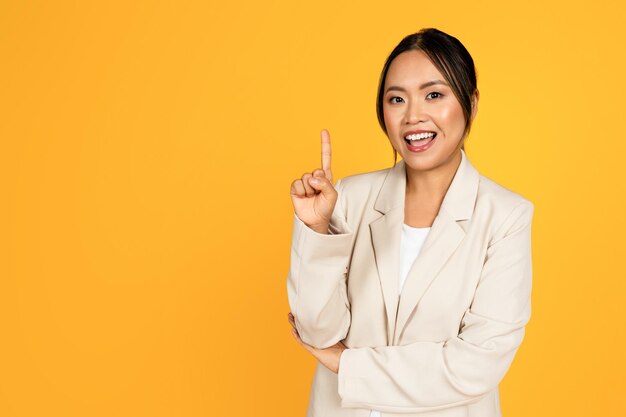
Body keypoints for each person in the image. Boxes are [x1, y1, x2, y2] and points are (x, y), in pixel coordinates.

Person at [286, 28, 534, 417]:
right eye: (396, 99)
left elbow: (475, 367)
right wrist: (317, 231)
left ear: (470, 102)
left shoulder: (505, 216)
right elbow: (317, 332)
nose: (413, 115)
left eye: (434, 94)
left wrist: (347, 365)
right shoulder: (347, 198)